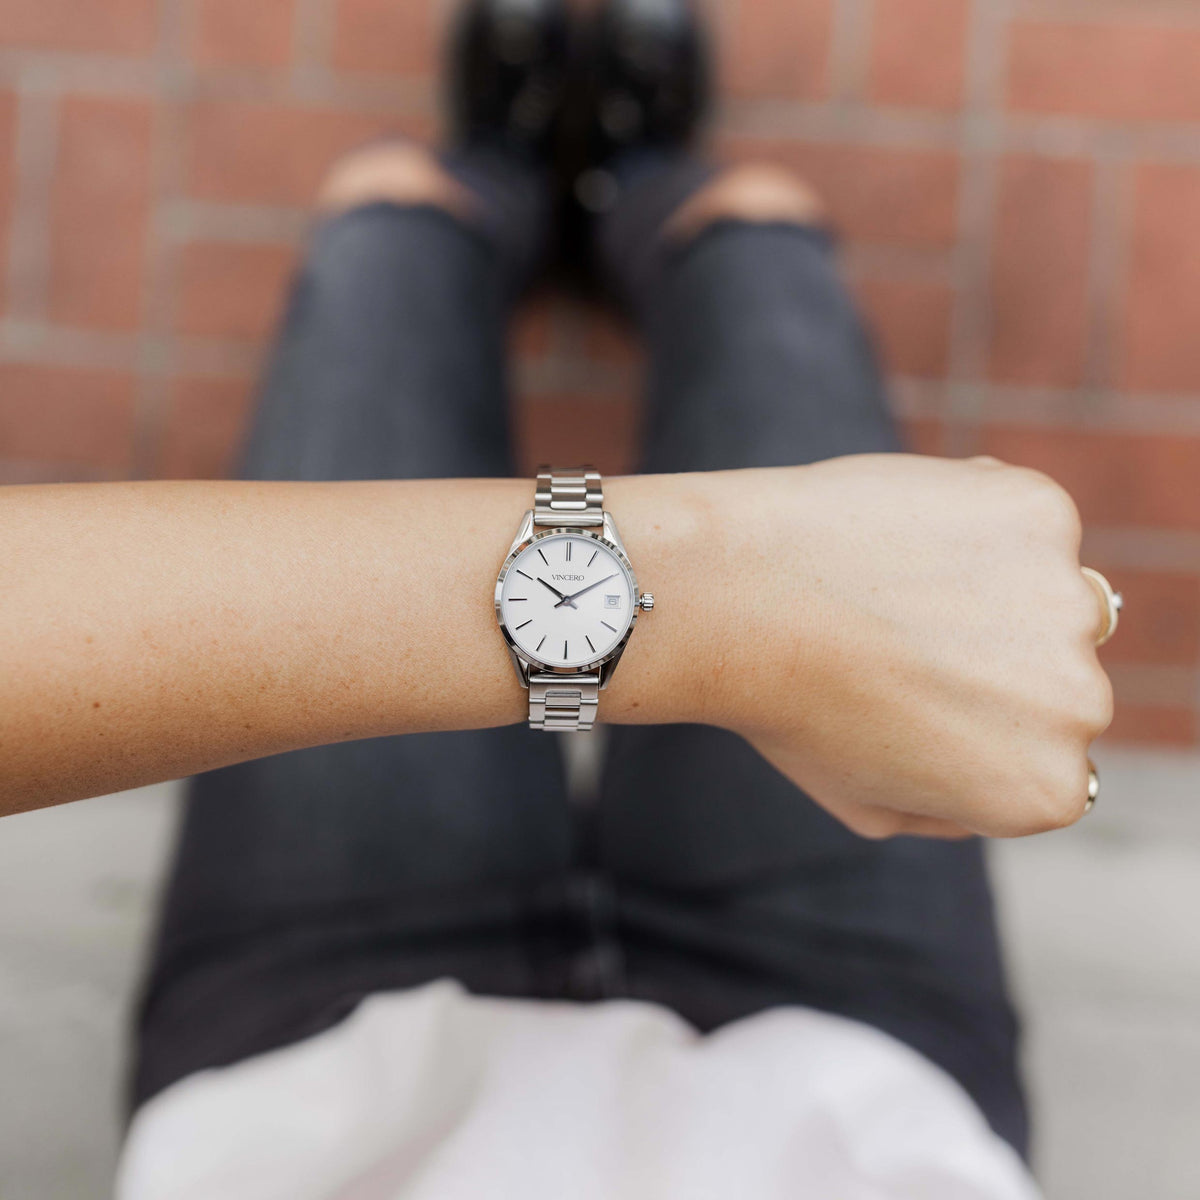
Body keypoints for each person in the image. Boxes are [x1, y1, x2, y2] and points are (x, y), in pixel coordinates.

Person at [0, 1, 1118, 1195]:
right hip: (859, 1080)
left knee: (383, 235)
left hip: (306, 1063)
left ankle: (500, 171)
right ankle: (639, 179)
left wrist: (717, 588)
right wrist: (718, 601)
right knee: (764, 250)